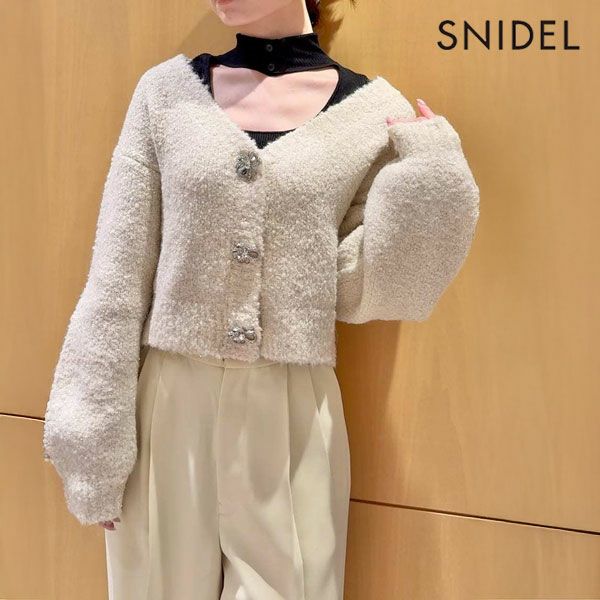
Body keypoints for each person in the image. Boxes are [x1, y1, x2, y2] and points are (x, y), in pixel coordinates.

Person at [42, 0, 480, 598]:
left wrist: (432, 181)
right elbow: (117, 275)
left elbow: (368, 291)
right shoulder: (165, 95)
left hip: (292, 408)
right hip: (169, 405)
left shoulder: (371, 113)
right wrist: (91, 438)